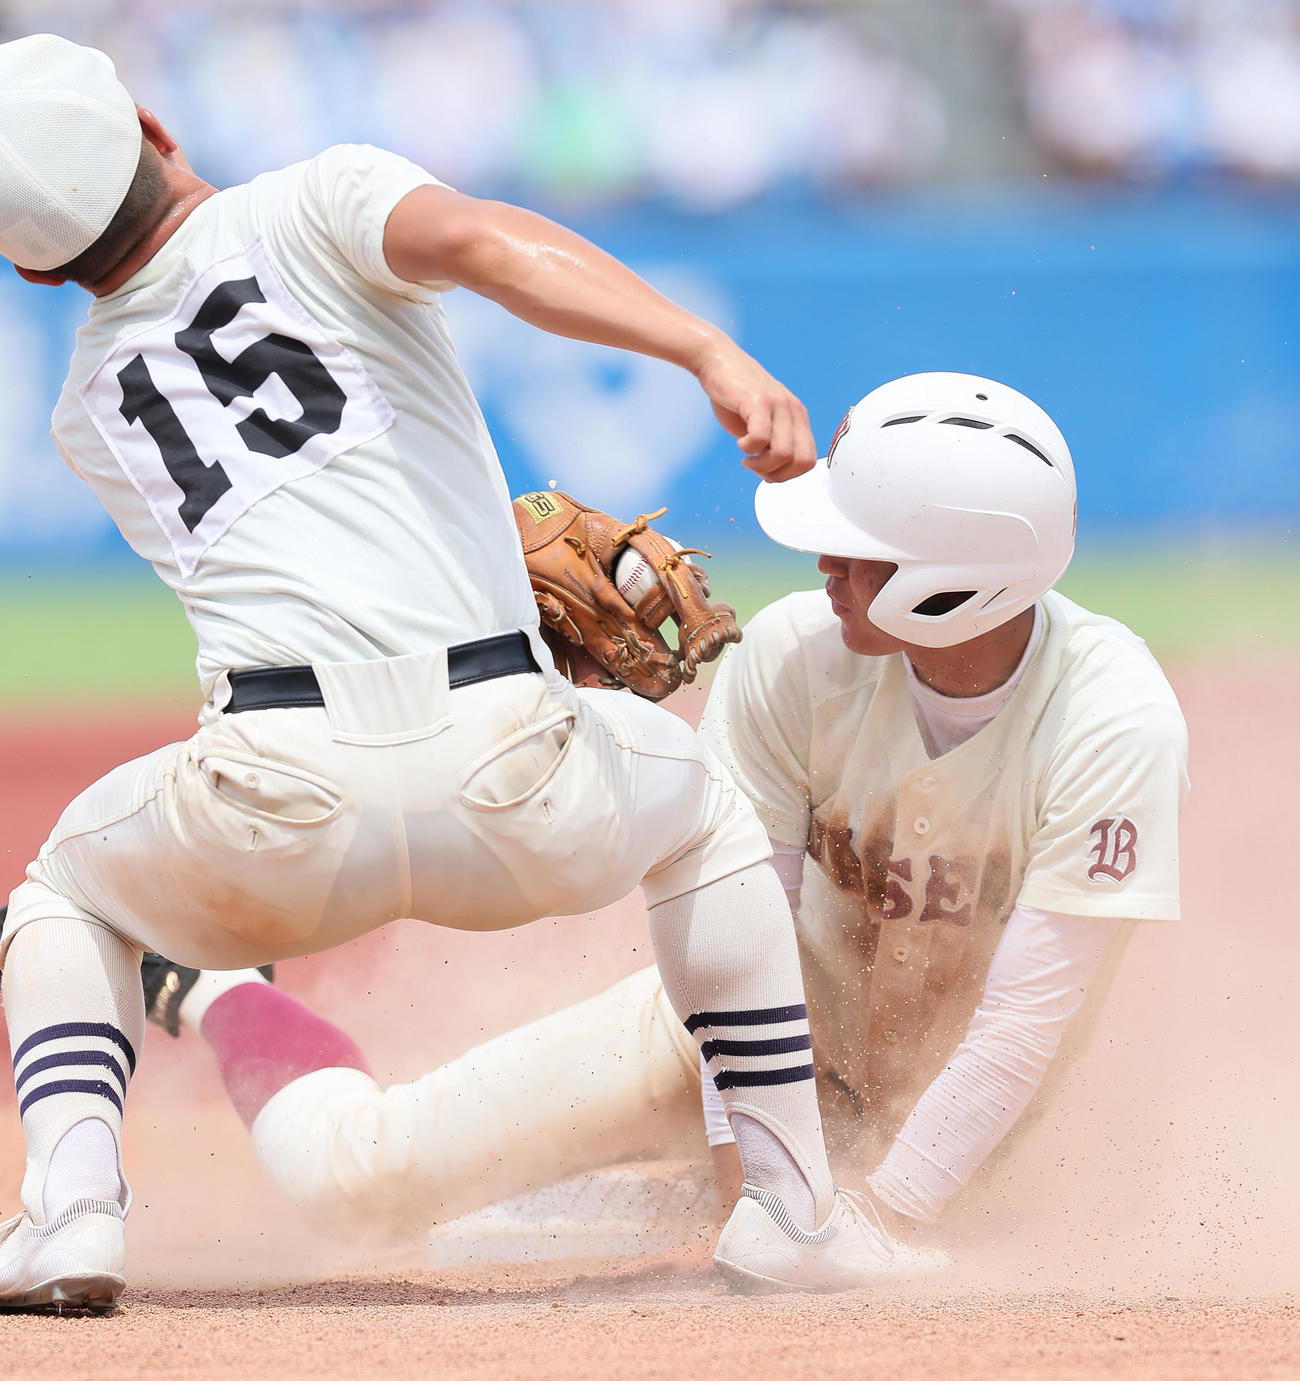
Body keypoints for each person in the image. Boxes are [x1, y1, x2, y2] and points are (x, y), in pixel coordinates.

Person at [0, 33, 904, 1312]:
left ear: (32, 264)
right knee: (702, 810)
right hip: (519, 775)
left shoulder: (85, 403)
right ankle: (789, 1205)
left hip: (275, 810)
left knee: (61, 893)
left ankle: (71, 1212)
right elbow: (483, 241)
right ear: (155, 125)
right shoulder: (315, 199)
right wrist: (707, 349)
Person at [126, 371, 1188, 1256]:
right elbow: (734, 948)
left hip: (962, 1135)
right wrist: (762, 1193)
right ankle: (218, 991)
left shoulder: (1111, 719)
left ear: (956, 577)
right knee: (359, 1190)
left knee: (501, 1245)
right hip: (731, 1039)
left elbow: (1020, 1032)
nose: (821, 560)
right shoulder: (790, 659)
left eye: (856, 543)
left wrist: (871, 1215)